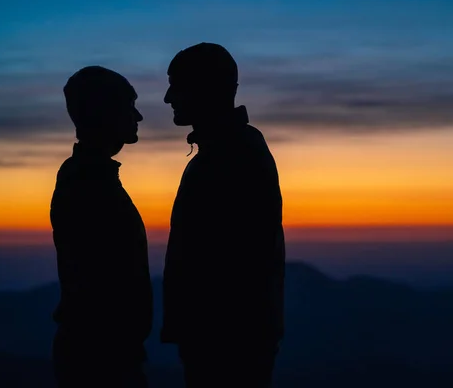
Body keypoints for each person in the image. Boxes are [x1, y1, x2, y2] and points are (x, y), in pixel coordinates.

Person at [161, 43, 286, 387]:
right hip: (225, 338)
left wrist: (201, 330)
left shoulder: (233, 155)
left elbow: (236, 260)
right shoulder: (229, 149)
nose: (168, 97)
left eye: (177, 85)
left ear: (205, 89)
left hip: (227, 343)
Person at [50, 66, 153, 388]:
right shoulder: (87, 182)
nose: (138, 117)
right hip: (100, 358)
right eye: (129, 106)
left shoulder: (90, 175)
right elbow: (101, 279)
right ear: (104, 112)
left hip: (105, 352)